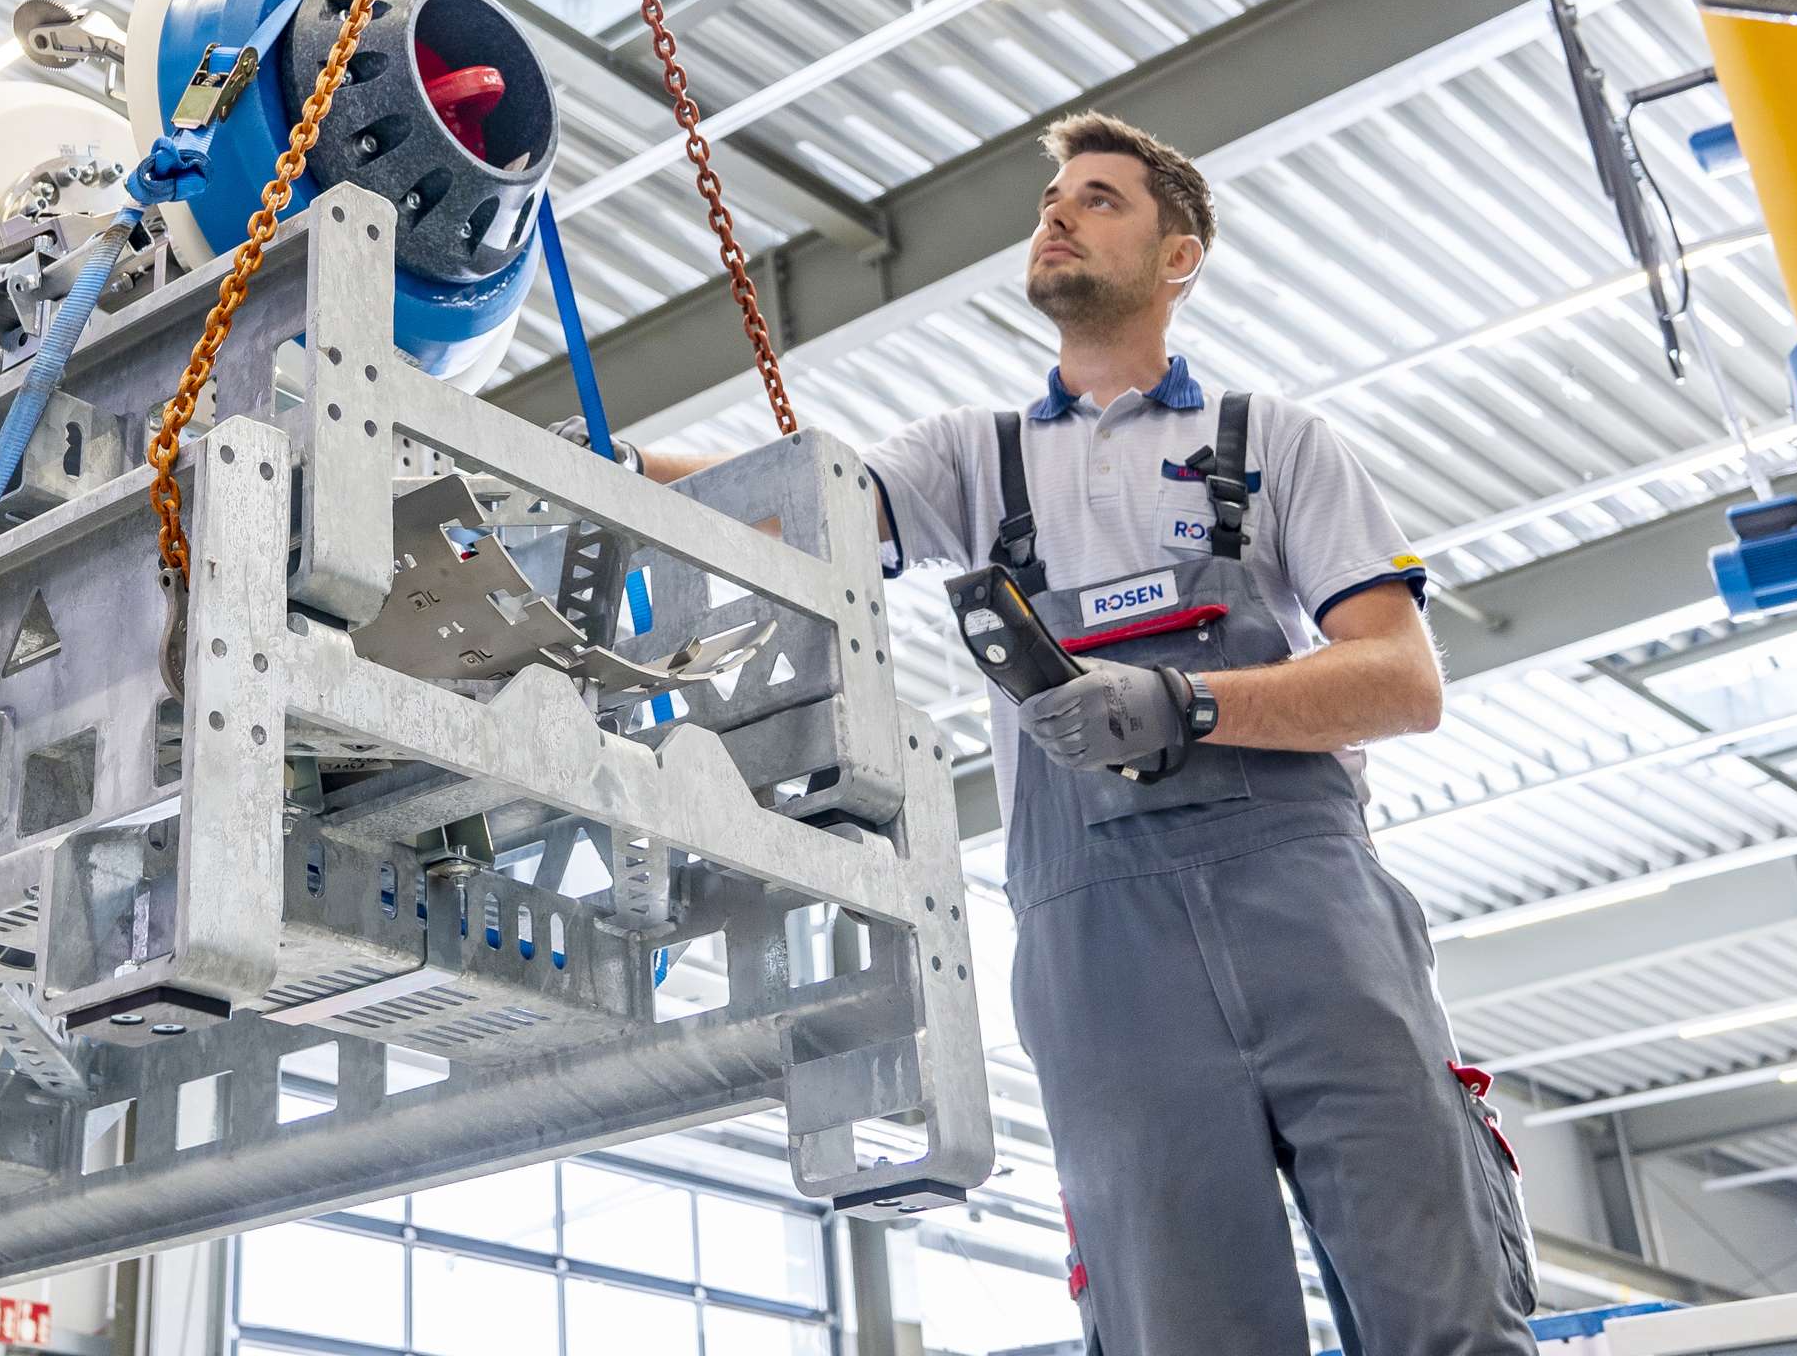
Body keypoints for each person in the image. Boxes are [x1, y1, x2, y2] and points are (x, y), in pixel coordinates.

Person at [639, 113, 1535, 1354]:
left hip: (1312, 920)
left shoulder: (1271, 444)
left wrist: (1188, 703)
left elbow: (1399, 677)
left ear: (1180, 258)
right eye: (1052, 199)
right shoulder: (975, 462)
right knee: (1185, 1330)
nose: (1056, 215)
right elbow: (782, 509)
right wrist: (617, 465)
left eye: (1100, 199)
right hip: (1101, 951)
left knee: (1447, 1307)